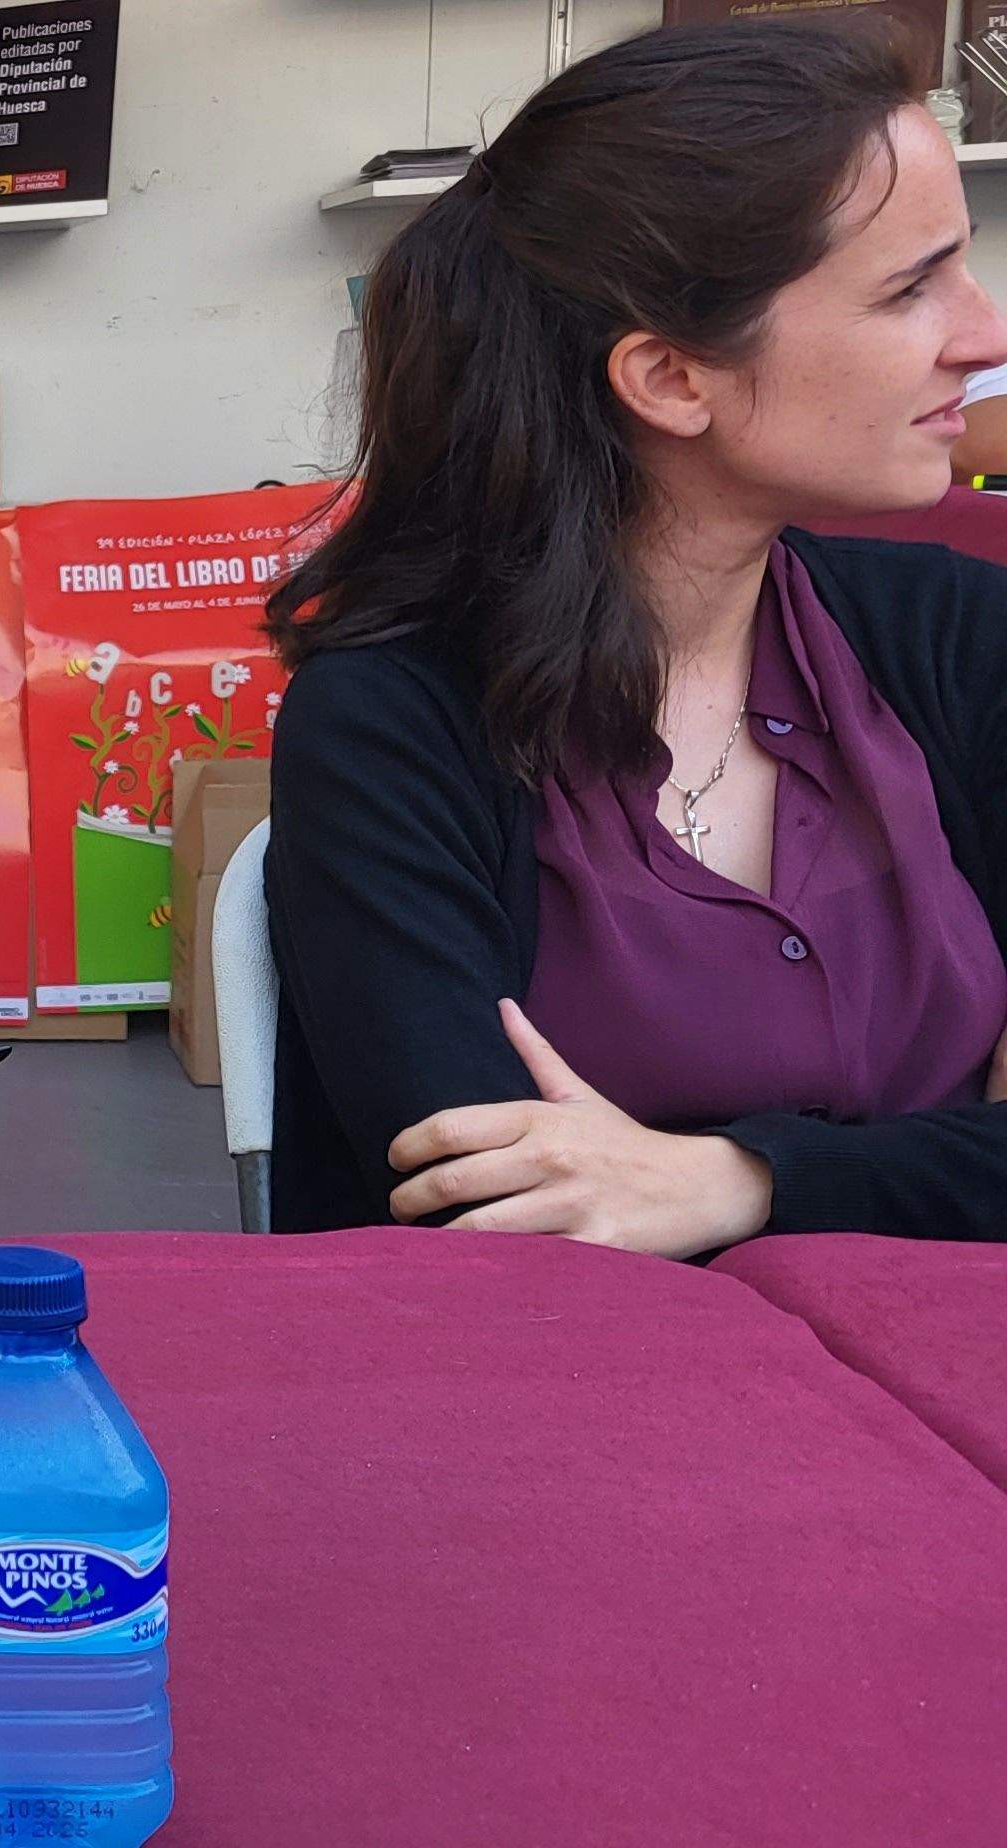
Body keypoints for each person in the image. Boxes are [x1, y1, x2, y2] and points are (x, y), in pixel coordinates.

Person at [265, 22, 1007, 1251]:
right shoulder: (394, 721)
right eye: (907, 288)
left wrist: (732, 1180)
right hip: (571, 1408)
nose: (983, 338)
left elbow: (606, 1192)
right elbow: (489, 1207)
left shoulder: (958, 639)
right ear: (670, 380)